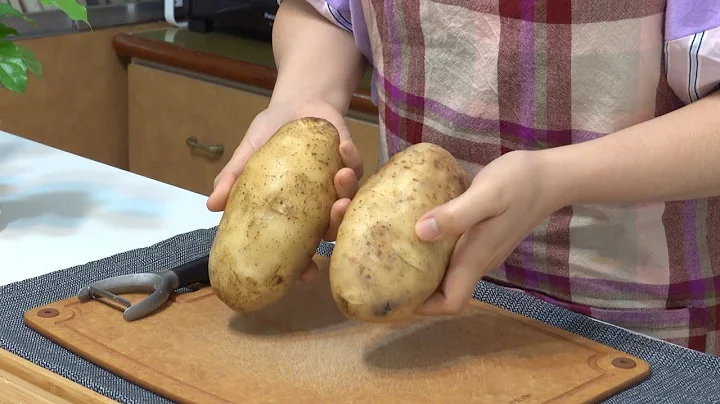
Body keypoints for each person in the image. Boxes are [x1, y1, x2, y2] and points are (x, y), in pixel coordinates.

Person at [206, 0, 720, 356]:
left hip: (629, 334)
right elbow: (324, 12)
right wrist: (305, 96)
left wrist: (555, 179)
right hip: (411, 314)